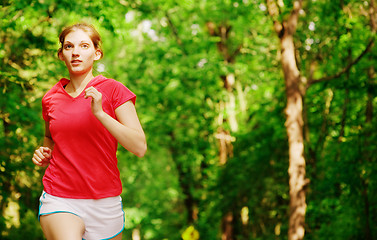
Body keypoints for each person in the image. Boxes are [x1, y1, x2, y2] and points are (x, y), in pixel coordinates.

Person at [32, 22, 147, 240]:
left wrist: (101, 114)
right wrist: (44, 151)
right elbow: (49, 137)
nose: (75, 52)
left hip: (105, 201)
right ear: (61, 54)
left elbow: (139, 146)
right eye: (68, 47)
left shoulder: (114, 91)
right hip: (60, 196)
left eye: (84, 46)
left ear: (97, 53)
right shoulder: (50, 98)